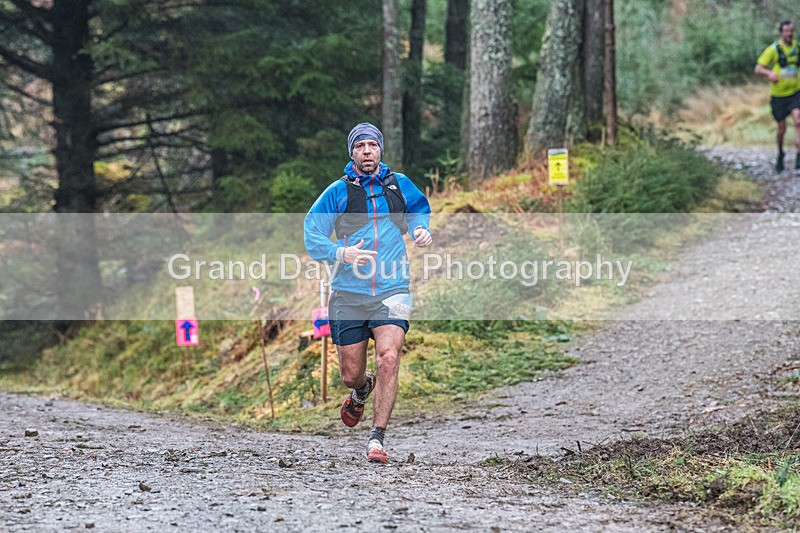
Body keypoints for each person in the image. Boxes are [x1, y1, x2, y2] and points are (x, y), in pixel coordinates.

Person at [304, 123, 432, 464]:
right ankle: (361, 389)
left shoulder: (399, 184)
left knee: (390, 357)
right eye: (359, 145)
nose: (366, 150)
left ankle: (377, 438)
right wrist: (339, 254)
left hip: (392, 288)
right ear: (352, 153)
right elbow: (311, 230)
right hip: (348, 292)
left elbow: (419, 209)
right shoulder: (338, 192)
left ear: (380, 150)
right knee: (350, 374)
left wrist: (421, 228)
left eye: (371, 145)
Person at [755, 20, 800, 172]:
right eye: (786, 31)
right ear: (781, 33)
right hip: (779, 96)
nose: (789, 34)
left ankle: (799, 155)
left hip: (796, 92)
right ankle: (781, 153)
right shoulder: (773, 49)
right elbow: (759, 68)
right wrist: (770, 73)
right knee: (782, 129)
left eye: (791, 31)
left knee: (798, 121)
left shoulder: (797, 48)